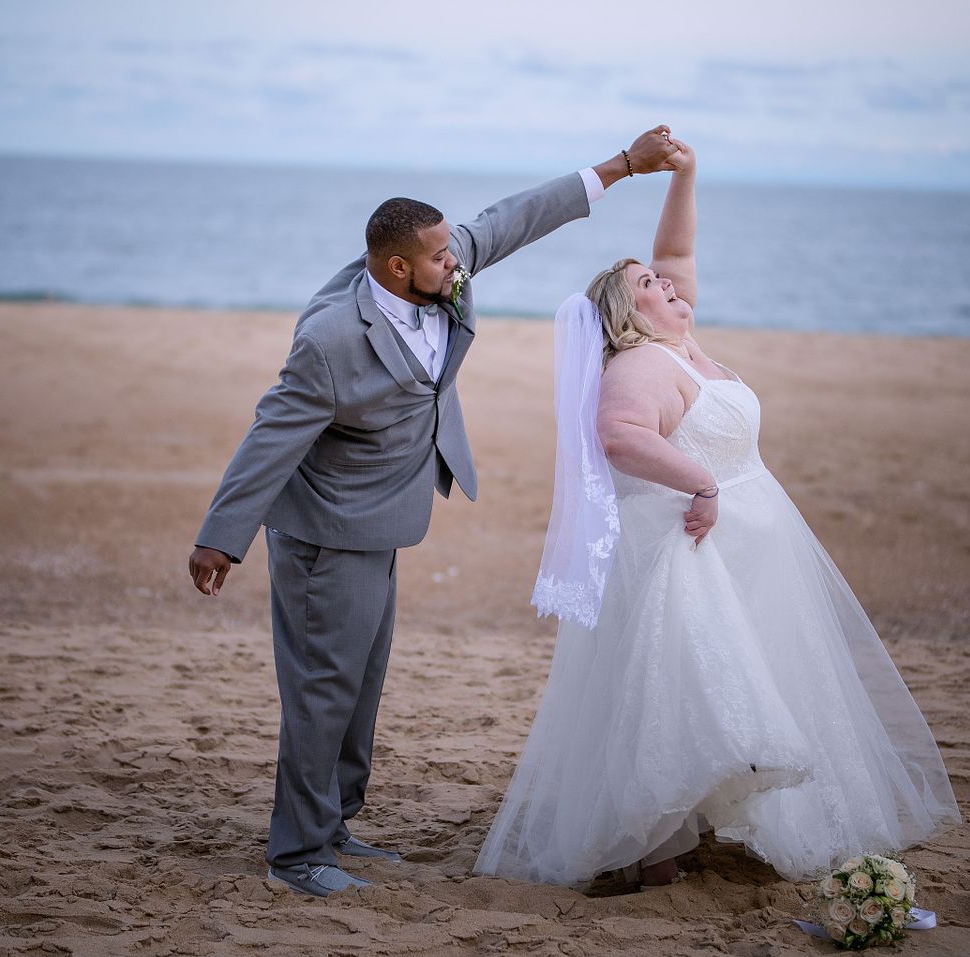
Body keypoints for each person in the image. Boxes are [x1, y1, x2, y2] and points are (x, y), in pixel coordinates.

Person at [187, 126, 686, 898]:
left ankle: (336, 825)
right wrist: (222, 539)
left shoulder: (436, 268)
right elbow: (269, 437)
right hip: (325, 534)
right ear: (397, 267)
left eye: (453, 253)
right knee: (323, 690)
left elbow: (518, 216)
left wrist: (622, 166)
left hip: (385, 517)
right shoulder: (328, 340)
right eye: (442, 258)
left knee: (361, 685)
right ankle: (297, 853)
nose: (457, 264)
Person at [474, 139, 960, 889]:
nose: (668, 283)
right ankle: (655, 849)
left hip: (752, 544)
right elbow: (619, 438)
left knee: (745, 683)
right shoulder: (639, 364)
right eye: (649, 283)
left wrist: (688, 173)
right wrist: (702, 483)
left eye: (666, 280)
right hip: (685, 548)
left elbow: (676, 247)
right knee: (682, 698)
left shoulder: (684, 341)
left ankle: (693, 832)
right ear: (626, 312)